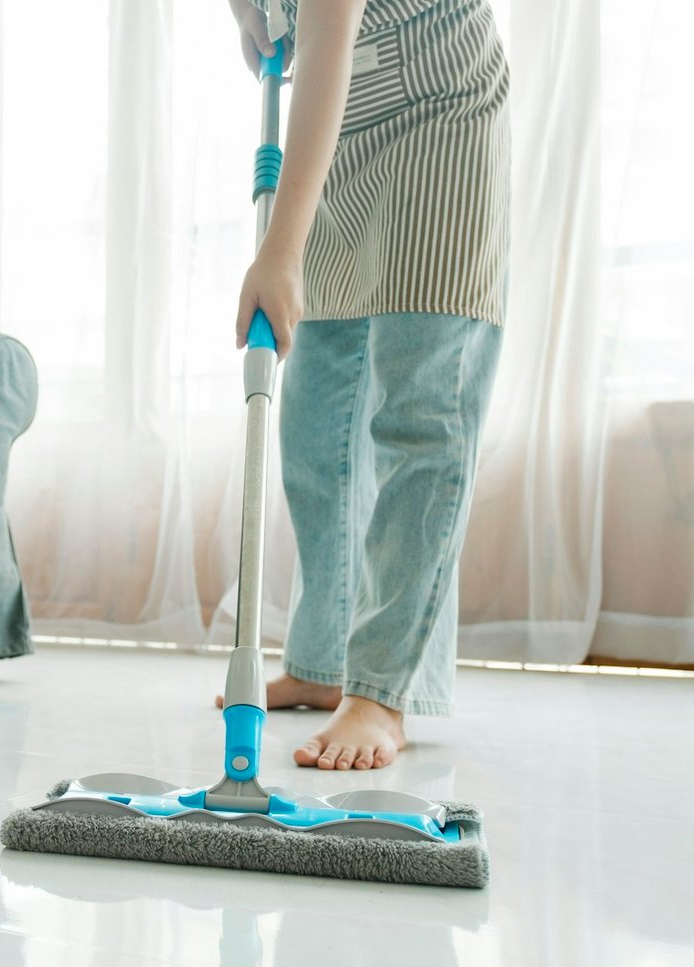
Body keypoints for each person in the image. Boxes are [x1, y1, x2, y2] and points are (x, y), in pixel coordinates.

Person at [219, 0, 510, 770]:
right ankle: (320, 661)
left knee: (422, 410)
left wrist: (279, 252)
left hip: (440, 111)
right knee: (316, 418)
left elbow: (329, 32)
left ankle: (380, 690)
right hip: (341, 132)